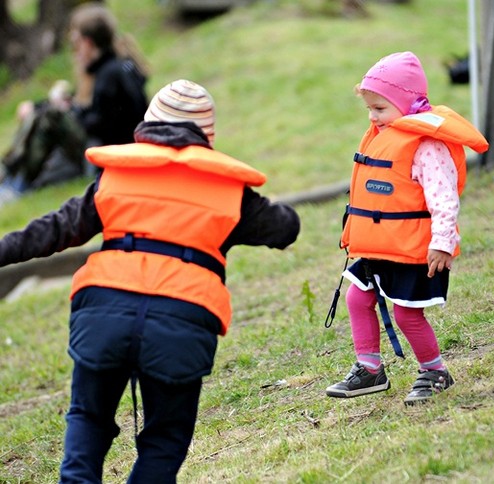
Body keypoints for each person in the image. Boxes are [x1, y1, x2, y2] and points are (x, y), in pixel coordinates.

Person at [0, 79, 301, 482]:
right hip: (182, 321)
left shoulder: (116, 177)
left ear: (147, 126)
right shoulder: (231, 193)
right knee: (165, 437)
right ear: (207, 139)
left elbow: (53, 230)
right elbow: (285, 228)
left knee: (88, 418)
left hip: (104, 313)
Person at [325, 51, 489, 405]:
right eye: (369, 109)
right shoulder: (382, 134)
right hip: (378, 246)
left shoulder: (426, 146)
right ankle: (369, 369)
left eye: (379, 109)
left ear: (407, 103)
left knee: (407, 314)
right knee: (356, 298)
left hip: (414, 248)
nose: (372, 117)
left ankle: (435, 371)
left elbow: (444, 199)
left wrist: (443, 241)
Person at [69, 2, 149, 150]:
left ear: (88, 42)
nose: (75, 51)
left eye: (76, 43)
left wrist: (73, 112)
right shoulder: (122, 64)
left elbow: (98, 125)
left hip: (119, 150)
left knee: (50, 118)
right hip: (130, 143)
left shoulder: (108, 75)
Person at [0, 80, 87, 204]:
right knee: (38, 116)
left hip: (84, 145)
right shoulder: (86, 81)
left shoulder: (104, 75)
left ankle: (16, 179)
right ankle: (11, 172)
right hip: (72, 137)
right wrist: (34, 106)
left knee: (48, 118)